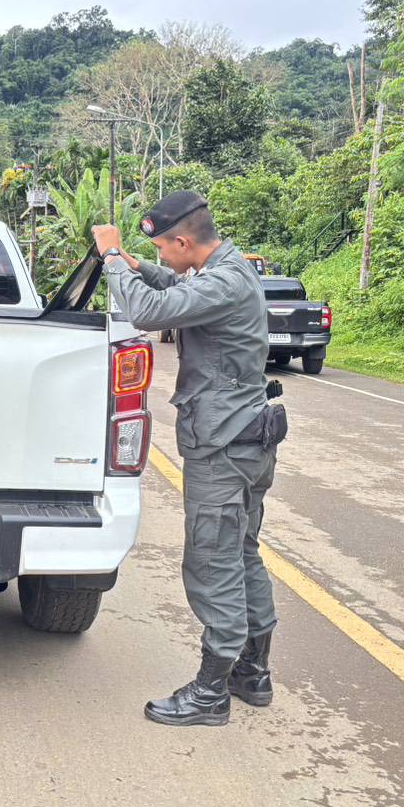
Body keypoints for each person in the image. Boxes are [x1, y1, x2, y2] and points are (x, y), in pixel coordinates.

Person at [93, 191, 285, 728]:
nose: (161, 254)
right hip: (244, 439)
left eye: (161, 247)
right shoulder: (226, 270)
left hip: (223, 446)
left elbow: (149, 312)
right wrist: (142, 267)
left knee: (213, 560)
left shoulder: (225, 280)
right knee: (241, 553)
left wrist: (112, 258)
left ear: (182, 241)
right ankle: (253, 672)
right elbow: (180, 291)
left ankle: (211, 692)